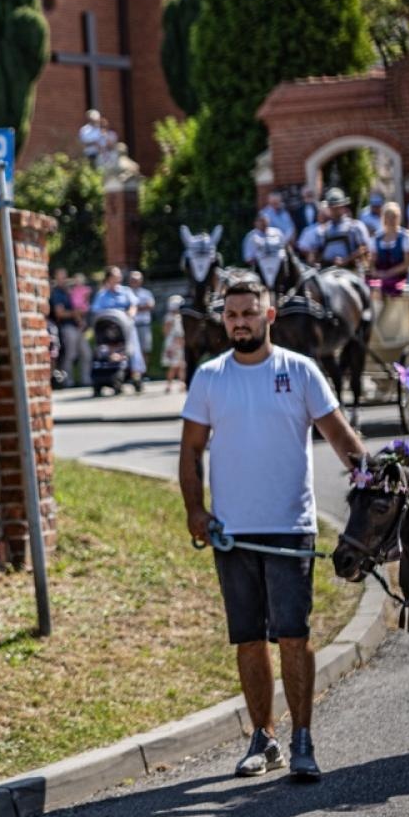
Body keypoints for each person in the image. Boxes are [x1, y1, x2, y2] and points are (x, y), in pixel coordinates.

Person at [179, 275, 367, 782]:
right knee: (248, 640)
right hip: (232, 533)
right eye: (232, 313)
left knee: (293, 635)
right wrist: (196, 510)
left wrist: (372, 483)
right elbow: (191, 450)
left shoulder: (301, 371)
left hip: (290, 529)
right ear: (224, 320)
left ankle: (302, 739)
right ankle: (263, 738)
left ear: (269, 315)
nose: (240, 321)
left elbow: (342, 439)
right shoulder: (210, 377)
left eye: (249, 311)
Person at [91, 266, 144, 386]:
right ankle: (108, 372)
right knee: (105, 348)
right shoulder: (102, 294)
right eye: (116, 275)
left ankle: (136, 374)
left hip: (126, 326)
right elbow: (96, 311)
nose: (119, 277)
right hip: (109, 328)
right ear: (109, 278)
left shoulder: (126, 291)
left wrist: (130, 313)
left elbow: (133, 305)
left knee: (133, 349)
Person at [311, 189, 372, 270]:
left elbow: (364, 249)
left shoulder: (355, 226)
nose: (334, 210)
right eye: (331, 208)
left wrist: (345, 260)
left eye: (336, 207)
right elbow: (316, 252)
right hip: (326, 270)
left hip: (350, 269)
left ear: (343, 207)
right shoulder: (323, 230)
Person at [51, 268, 90, 388]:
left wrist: (80, 319)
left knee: (86, 353)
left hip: (76, 326)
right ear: (56, 279)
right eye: (60, 277)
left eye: (64, 276)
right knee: (69, 355)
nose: (63, 279)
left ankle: (86, 380)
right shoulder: (56, 293)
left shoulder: (69, 292)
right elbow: (59, 313)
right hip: (66, 327)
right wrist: (75, 313)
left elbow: (78, 307)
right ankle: (68, 381)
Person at [371, 202, 409, 297]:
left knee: (395, 287)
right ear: (384, 218)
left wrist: (388, 274)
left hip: (400, 277)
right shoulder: (376, 238)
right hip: (381, 276)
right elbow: (372, 262)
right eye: (388, 216)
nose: (391, 220)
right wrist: (375, 272)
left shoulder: (406, 237)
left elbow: (407, 264)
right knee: (369, 287)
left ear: (398, 218)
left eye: (394, 216)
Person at [128, 270, 156, 364]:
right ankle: (132, 373)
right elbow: (126, 308)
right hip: (131, 326)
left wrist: (135, 308)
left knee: (145, 349)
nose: (135, 282)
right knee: (131, 350)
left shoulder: (146, 293)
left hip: (144, 325)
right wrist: (141, 307)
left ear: (141, 281)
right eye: (133, 280)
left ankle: (144, 373)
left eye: (137, 280)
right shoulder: (126, 292)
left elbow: (151, 306)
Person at [162, 294, 186, 393]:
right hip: (171, 344)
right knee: (172, 365)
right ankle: (169, 385)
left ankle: (182, 384)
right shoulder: (168, 317)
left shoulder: (182, 316)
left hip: (181, 342)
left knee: (182, 365)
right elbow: (165, 332)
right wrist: (171, 321)